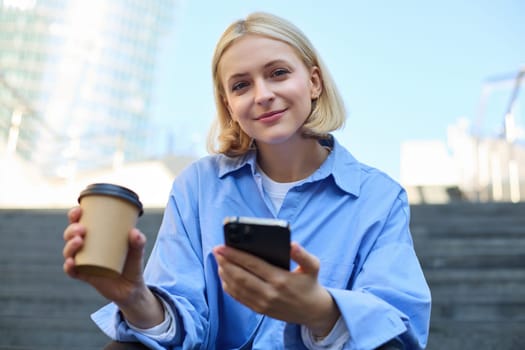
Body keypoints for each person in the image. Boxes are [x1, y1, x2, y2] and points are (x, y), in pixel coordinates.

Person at [63, 11, 431, 350]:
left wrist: (321, 311)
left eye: (278, 73)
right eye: (241, 86)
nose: (263, 95)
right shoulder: (198, 186)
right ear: (228, 105)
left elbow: (398, 325)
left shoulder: (378, 197)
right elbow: (182, 313)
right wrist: (135, 298)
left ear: (314, 82)